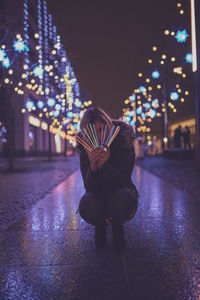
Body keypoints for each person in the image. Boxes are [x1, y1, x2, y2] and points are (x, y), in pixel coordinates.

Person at [76, 106, 139, 250]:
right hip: (98, 194)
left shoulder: (124, 140)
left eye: (102, 129)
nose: (100, 136)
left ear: (109, 126)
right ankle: (100, 224)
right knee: (88, 204)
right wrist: (93, 167)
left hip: (121, 192)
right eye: (93, 132)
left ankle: (118, 224)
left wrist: (105, 165)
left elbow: (124, 179)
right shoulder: (86, 146)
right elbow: (89, 187)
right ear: (86, 132)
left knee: (121, 198)